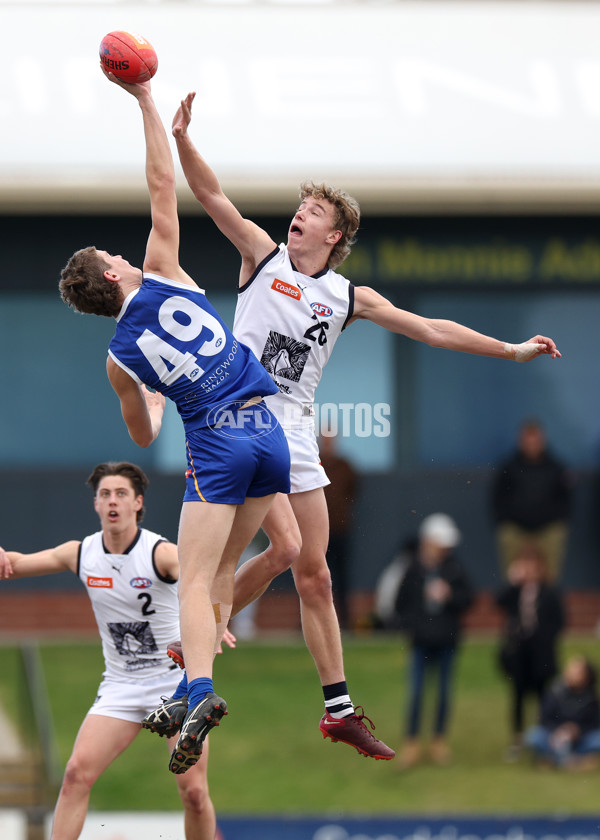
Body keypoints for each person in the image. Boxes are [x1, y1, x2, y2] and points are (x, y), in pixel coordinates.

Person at [169, 90, 560, 762]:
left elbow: (432, 329)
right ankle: (192, 670)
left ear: (335, 238)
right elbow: (210, 196)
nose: (298, 217)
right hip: (237, 420)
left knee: (307, 567)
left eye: (313, 213)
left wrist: (511, 349)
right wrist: (181, 140)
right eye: (300, 208)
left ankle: (336, 709)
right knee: (229, 560)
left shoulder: (349, 296)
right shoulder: (262, 257)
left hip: (292, 430)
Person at [58, 71, 290, 776]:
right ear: (114, 277)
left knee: (190, 581)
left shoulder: (118, 361)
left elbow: (141, 437)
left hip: (216, 443)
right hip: (265, 428)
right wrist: (146, 101)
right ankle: (193, 678)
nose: (125, 256)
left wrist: (159, 399)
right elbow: (165, 184)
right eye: (114, 258)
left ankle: (195, 692)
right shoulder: (164, 272)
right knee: (233, 569)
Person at [0, 462, 223, 840]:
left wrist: (218, 624)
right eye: (105, 494)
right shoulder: (81, 553)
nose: (112, 501)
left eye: (121, 494)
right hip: (121, 685)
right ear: (96, 505)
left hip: (174, 684)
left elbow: (205, 585)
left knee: (195, 793)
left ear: (137, 503)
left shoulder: (161, 553)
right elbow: (16, 564)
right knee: (74, 775)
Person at [391, 514, 473, 769]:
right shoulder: (413, 569)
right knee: (416, 692)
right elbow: (399, 605)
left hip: (447, 641)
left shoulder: (454, 568)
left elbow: (468, 600)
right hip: (421, 642)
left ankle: (439, 741)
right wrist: (415, 626)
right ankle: (412, 742)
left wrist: (450, 595)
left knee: (443, 693)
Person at [495, 544, 565, 762]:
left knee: (544, 697)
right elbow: (498, 603)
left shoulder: (549, 591)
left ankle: (543, 741)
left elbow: (560, 621)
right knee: (518, 697)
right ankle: (517, 740)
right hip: (519, 653)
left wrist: (543, 638)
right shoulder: (516, 591)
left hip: (541, 654)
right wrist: (512, 581)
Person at [492, 418, 571, 582]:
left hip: (548, 529)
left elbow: (566, 500)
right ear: (521, 441)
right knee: (513, 576)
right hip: (516, 528)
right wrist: (507, 520)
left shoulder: (556, 467)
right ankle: (514, 604)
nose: (532, 445)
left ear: (542, 440)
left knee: (550, 579)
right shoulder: (509, 467)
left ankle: (547, 606)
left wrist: (552, 519)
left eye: (535, 440)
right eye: (528, 440)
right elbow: (498, 498)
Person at [525, 656, 600, 769]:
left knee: (596, 739)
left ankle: (553, 760)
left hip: (580, 739)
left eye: (576, 671)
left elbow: (595, 723)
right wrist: (559, 730)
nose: (570, 672)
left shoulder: (591, 697)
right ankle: (575, 761)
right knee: (533, 736)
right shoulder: (555, 692)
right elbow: (544, 719)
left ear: (586, 676)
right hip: (554, 737)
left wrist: (577, 730)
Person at [318, 433, 358, 630]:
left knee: (341, 577)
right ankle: (312, 620)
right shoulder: (313, 461)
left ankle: (344, 621)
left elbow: (353, 491)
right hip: (316, 530)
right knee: (314, 574)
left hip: (339, 530)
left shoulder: (344, 466)